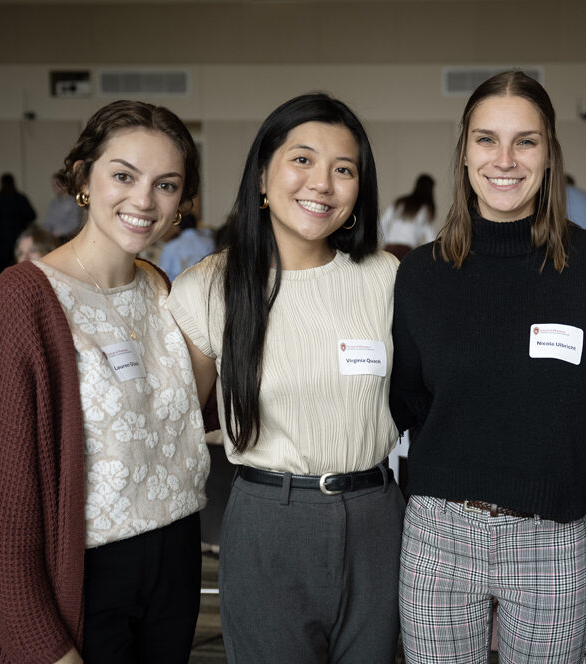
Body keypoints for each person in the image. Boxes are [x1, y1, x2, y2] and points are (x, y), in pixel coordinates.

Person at [0, 100, 210, 664]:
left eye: (166, 184)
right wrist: (40, 643)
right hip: (86, 577)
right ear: (82, 178)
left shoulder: (162, 289)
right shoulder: (21, 303)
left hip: (176, 562)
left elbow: (178, 423)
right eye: (123, 176)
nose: (143, 200)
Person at [390, 71, 586, 664]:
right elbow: (408, 401)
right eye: (486, 140)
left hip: (553, 534)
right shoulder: (422, 275)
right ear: (464, 152)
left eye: (525, 141)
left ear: (550, 152)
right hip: (439, 533)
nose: (505, 159)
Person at [168, 93, 404, 663]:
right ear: (262, 179)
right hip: (268, 521)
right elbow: (174, 424)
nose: (321, 183)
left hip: (377, 519)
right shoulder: (208, 287)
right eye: (302, 160)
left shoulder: (386, 278)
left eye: (343, 169)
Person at [380, 173, 436, 259]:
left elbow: (382, 222)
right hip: (406, 251)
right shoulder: (425, 209)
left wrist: (386, 241)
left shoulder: (400, 202)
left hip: (389, 248)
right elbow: (430, 237)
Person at [0, 172, 36, 268]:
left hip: (2, 239)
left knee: (3, 268)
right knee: (21, 266)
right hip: (19, 236)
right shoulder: (21, 198)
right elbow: (32, 216)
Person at [159, 212, 214, 280]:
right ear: (196, 224)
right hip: (205, 284)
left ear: (178, 227)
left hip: (177, 287)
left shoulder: (171, 246)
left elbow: (163, 273)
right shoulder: (209, 242)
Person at [43, 173, 84, 240]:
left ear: (64, 185)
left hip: (66, 238)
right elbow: (48, 221)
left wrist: (57, 233)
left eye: (56, 184)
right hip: (51, 237)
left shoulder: (73, 202)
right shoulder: (54, 202)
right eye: (52, 185)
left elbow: (74, 224)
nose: (53, 187)